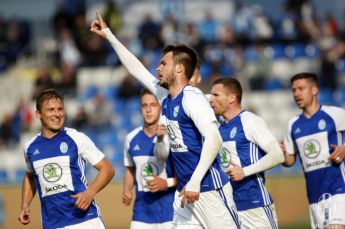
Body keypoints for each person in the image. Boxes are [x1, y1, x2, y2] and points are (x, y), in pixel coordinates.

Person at [90, 10, 240, 228]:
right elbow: (136, 69)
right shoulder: (165, 96)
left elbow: (214, 139)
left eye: (163, 64)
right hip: (185, 194)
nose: (157, 68)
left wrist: (195, 182)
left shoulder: (192, 97)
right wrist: (110, 36)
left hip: (209, 190)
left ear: (179, 68)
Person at [18, 89, 115, 229]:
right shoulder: (30, 147)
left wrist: (90, 192)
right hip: (52, 224)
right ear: (38, 114)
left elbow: (107, 169)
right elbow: (30, 177)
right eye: (51, 109)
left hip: (85, 221)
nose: (57, 114)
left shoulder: (76, 138)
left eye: (60, 109)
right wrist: (25, 205)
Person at [210, 78, 284, 228]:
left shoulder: (250, 121)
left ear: (232, 98)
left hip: (254, 206)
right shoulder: (218, 127)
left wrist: (244, 171)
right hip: (229, 209)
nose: (211, 100)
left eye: (216, 95)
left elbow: (277, 154)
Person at [280, 72, 345, 229]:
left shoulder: (335, 114)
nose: (296, 94)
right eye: (294, 90)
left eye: (301, 88)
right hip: (314, 197)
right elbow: (290, 161)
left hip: (339, 190)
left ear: (314, 90)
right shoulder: (293, 125)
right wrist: (282, 155)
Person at [123, 88, 176, 228]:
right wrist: (127, 190)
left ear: (160, 107)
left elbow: (185, 176)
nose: (148, 110)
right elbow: (130, 169)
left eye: (153, 105)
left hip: (169, 214)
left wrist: (166, 183)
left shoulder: (172, 138)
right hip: (141, 214)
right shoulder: (131, 138)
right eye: (144, 105)